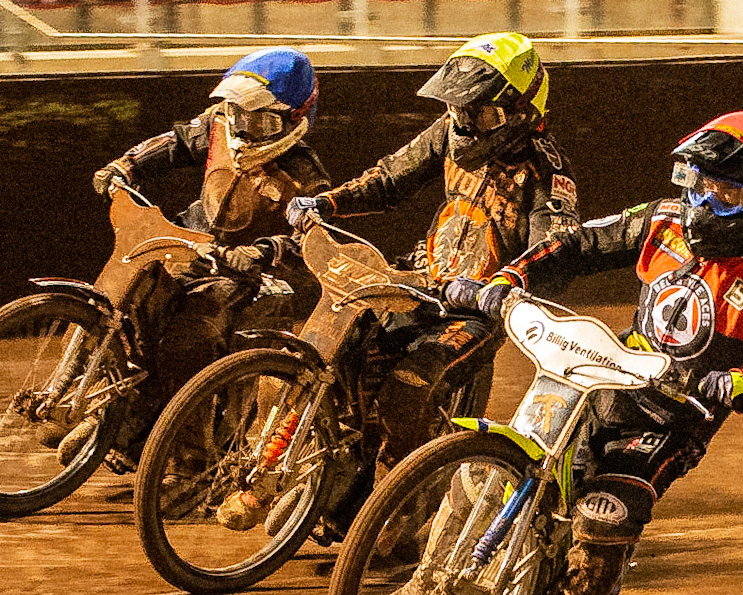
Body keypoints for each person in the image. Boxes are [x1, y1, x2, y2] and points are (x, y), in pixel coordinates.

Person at [446, 110, 743, 595]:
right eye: (698, 185)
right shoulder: (662, 220)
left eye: (725, 196)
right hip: (607, 380)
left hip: (674, 418)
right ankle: (432, 578)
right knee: (500, 467)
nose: (703, 206)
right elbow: (576, 243)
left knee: (609, 509)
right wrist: (510, 279)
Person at [286, 31, 579, 470]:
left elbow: (554, 255)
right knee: (341, 344)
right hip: (419, 278)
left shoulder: (547, 173)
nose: (463, 123)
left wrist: (501, 288)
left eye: (478, 114)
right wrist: (326, 203)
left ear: (520, 112)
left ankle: (398, 510)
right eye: (457, 109)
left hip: (476, 309)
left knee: (408, 388)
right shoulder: (448, 130)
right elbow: (390, 178)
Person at [62, 47, 332, 471]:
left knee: (193, 335)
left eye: (258, 120)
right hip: (187, 242)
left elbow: (311, 241)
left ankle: (192, 456)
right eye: (238, 113)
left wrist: (264, 251)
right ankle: (102, 396)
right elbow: (172, 144)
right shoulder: (217, 128)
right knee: (124, 294)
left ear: (295, 119)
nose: (243, 127)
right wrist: (126, 165)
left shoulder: (307, 176)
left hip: (244, 277)